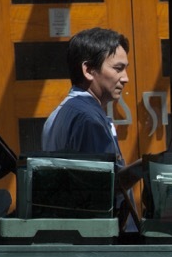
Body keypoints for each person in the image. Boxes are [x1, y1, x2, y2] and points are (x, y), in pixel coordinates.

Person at [41, 27, 129, 168]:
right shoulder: (89, 119)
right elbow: (104, 184)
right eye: (118, 69)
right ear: (88, 70)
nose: (125, 78)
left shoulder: (57, 114)